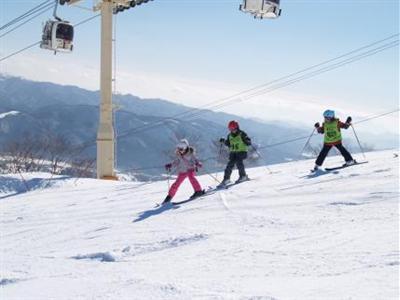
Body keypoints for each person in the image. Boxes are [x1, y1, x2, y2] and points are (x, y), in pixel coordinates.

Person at [162, 139, 205, 204]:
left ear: (185, 148)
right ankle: (169, 196)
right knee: (176, 183)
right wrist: (170, 165)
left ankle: (198, 191)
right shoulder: (179, 154)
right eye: (179, 149)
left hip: (190, 169)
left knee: (191, 178)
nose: (180, 151)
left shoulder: (190, 153)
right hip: (182, 170)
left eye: (181, 149)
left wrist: (198, 163)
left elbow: (195, 160)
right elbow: (176, 162)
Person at [218, 120, 252, 186]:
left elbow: (248, 142)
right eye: (230, 129)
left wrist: (247, 141)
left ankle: (243, 176)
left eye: (233, 128)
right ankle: (226, 179)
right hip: (233, 153)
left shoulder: (242, 134)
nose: (232, 130)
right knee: (229, 165)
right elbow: (228, 144)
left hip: (242, 151)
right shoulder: (229, 135)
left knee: (239, 162)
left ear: (237, 127)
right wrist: (224, 141)